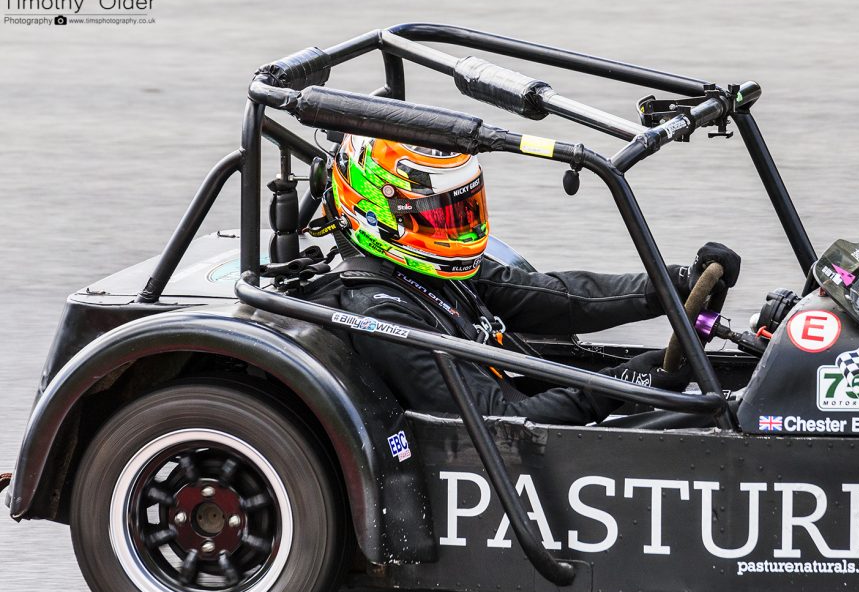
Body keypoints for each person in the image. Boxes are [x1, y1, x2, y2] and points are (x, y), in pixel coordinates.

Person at [309, 135, 740, 425]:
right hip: (491, 452)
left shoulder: (437, 268)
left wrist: (669, 284)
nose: (458, 228)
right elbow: (502, 419)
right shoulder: (382, 314)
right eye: (443, 215)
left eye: (465, 210)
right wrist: (627, 382)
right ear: (376, 212)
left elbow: (557, 297)